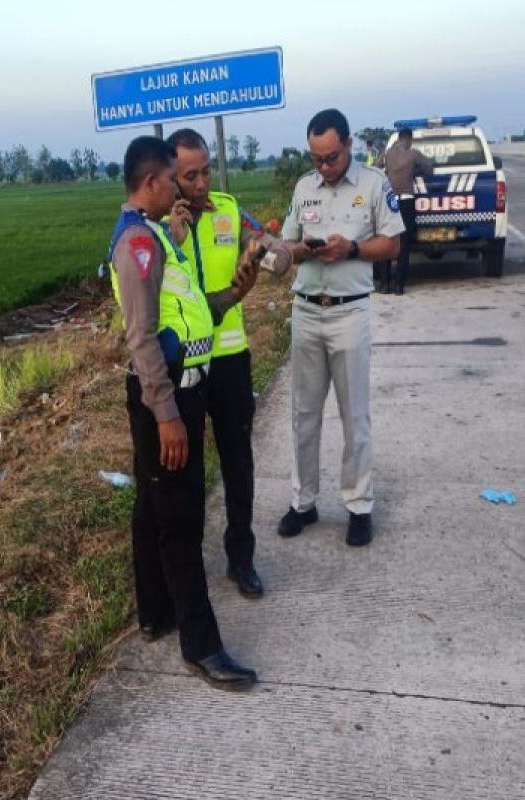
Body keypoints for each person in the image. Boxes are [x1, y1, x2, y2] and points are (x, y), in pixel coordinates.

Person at [107, 135, 261, 690]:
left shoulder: (156, 237)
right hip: (167, 396)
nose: (179, 188)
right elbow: (142, 337)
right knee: (181, 522)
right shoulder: (139, 246)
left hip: (181, 388)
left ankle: (155, 612)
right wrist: (167, 414)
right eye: (172, 179)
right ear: (151, 183)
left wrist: (232, 295)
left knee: (154, 506)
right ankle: (202, 645)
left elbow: (190, 308)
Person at [165, 128, 293, 599]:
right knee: (191, 472)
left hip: (232, 359)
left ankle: (242, 559)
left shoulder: (226, 208)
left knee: (239, 463)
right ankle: (190, 563)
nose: (200, 183)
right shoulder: (163, 226)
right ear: (170, 179)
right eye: (189, 175)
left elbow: (274, 246)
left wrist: (265, 254)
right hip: (186, 367)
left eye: (205, 171)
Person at [277, 109, 404, 547]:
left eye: (331, 157)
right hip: (308, 311)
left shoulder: (373, 184)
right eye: (316, 159)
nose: (325, 167)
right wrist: (298, 250)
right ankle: (303, 503)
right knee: (304, 415)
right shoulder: (303, 187)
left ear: (348, 145)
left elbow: (391, 243)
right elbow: (289, 245)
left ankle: (359, 506)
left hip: (350, 312)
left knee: (355, 416)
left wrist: (350, 248)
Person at [381, 126, 434, 294]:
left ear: (398, 138)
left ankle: (384, 284)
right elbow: (429, 169)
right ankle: (399, 286)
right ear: (409, 139)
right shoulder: (413, 154)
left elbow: (374, 168)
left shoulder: (387, 154)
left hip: (390, 203)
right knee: (404, 245)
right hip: (407, 202)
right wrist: (414, 171)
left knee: (388, 242)